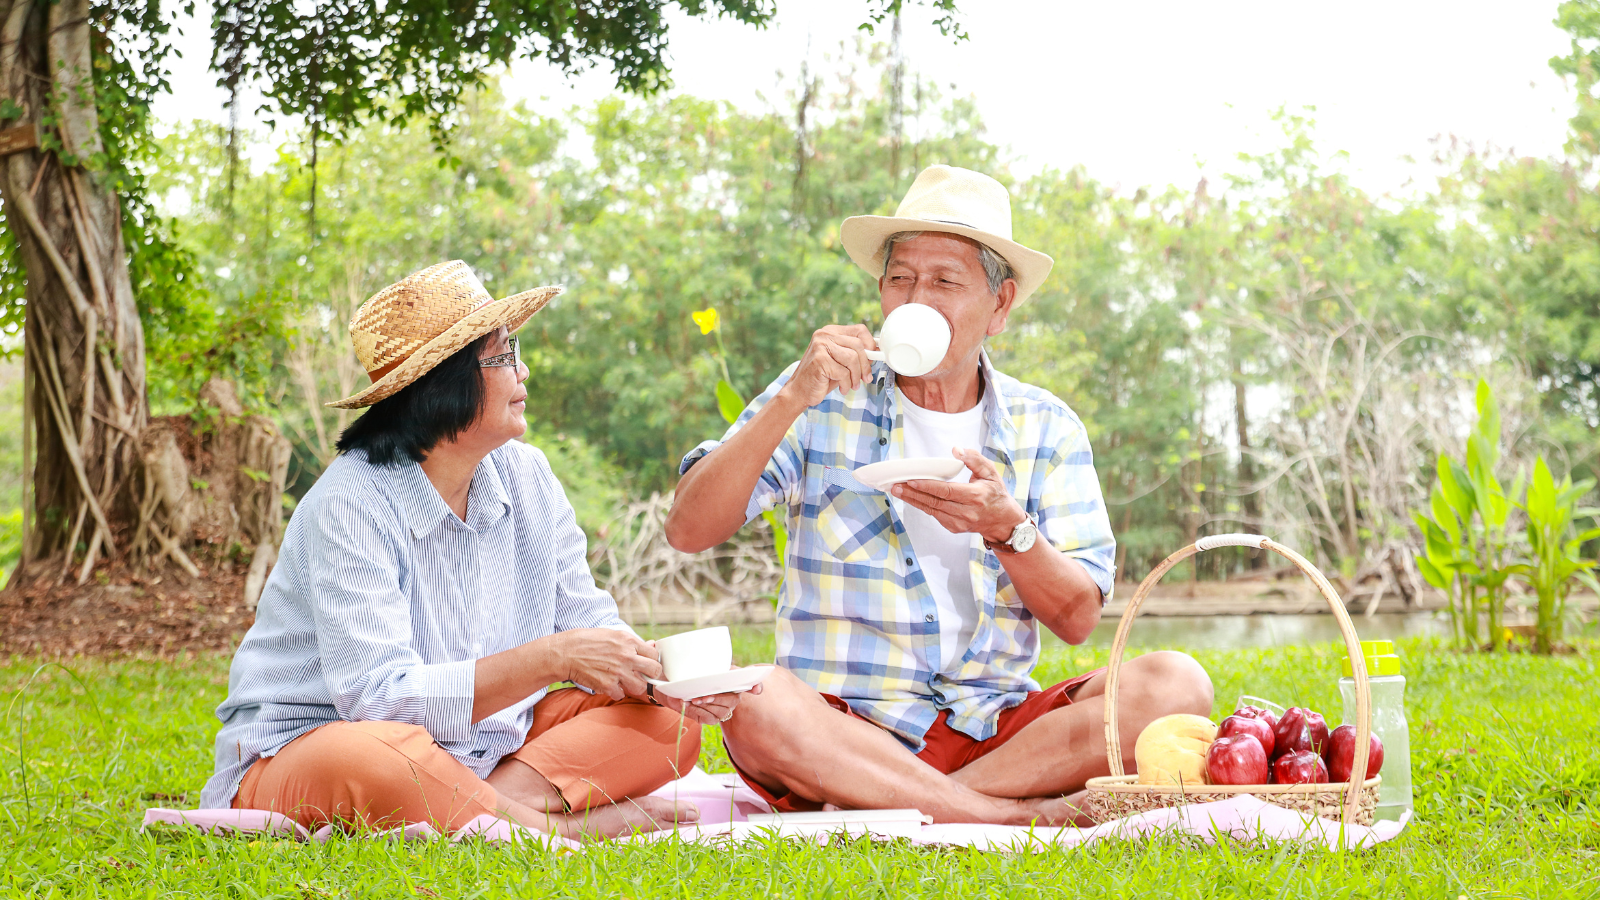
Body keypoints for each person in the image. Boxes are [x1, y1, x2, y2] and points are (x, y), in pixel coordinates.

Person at [664, 166, 1213, 825]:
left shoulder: (1047, 427)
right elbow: (688, 530)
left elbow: (1076, 617)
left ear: (1001, 306)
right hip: (844, 727)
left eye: (945, 281)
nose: (915, 299)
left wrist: (1011, 528)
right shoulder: (819, 395)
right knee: (756, 700)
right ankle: (1003, 817)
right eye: (901, 279)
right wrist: (788, 399)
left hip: (997, 727)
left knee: (1176, 685)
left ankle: (919, 803)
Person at [200, 261, 745, 840]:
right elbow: (377, 700)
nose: (524, 369)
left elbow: (586, 623)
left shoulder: (528, 475)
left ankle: (477, 809)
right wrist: (552, 657)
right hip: (323, 744)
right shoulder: (350, 500)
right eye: (505, 355)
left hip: (487, 745)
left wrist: (662, 673)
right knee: (378, 756)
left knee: (669, 725)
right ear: (445, 382)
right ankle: (554, 829)